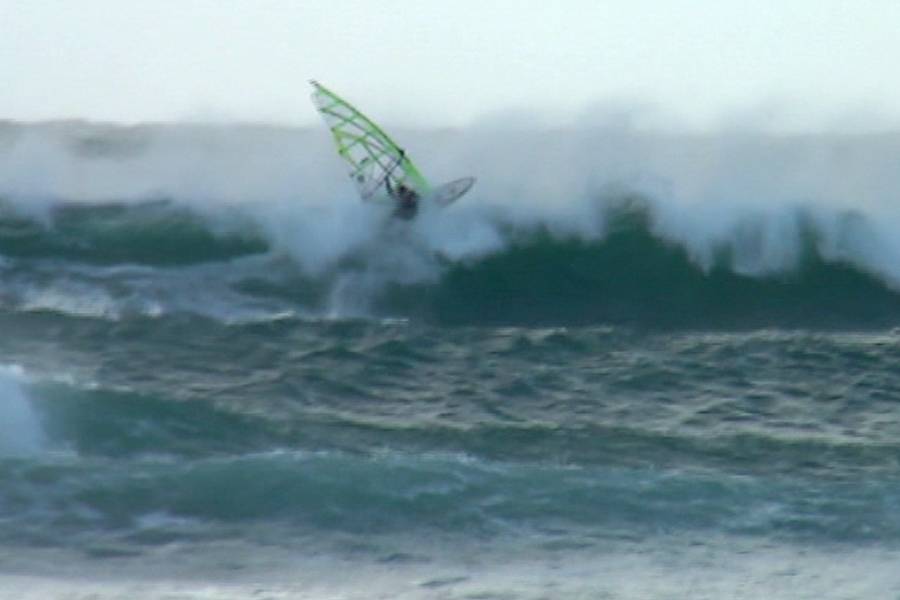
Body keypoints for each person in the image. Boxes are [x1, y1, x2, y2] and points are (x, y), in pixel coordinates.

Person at [385, 149, 420, 220]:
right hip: (406, 214)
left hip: (411, 214)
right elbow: (390, 192)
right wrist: (387, 181)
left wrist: (387, 181)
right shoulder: (401, 196)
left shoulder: (411, 194)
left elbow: (391, 192)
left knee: (395, 214)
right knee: (393, 215)